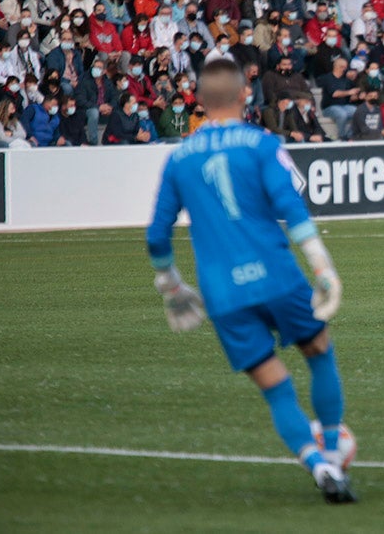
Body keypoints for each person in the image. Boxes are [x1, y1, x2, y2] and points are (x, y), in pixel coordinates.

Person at [145, 59, 357, 504]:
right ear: (246, 95)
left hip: (224, 295)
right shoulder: (261, 143)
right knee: (319, 352)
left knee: (275, 386)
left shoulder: (179, 157)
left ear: (199, 102)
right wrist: (322, 267)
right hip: (278, 276)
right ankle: (334, 451)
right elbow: (291, 207)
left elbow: (156, 235)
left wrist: (172, 287)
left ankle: (318, 468)